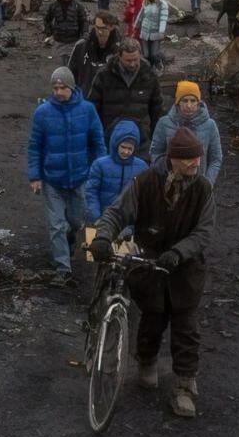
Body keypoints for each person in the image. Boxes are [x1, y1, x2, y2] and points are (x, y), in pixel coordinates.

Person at [90, 127, 215, 418]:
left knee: (186, 328)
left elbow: (204, 232)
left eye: (198, 157)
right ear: (173, 159)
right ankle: (146, 362)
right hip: (149, 266)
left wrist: (179, 252)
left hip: (185, 269)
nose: (196, 163)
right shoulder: (145, 182)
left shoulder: (203, 189)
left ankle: (184, 388)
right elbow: (116, 212)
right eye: (190, 159)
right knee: (152, 319)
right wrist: (102, 237)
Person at [27, 67, 105, 284]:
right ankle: (63, 269)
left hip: (80, 177)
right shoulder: (42, 113)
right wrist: (35, 176)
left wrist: (100, 171)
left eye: (63, 87)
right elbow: (35, 146)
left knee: (77, 221)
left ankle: (70, 239)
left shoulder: (87, 110)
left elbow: (98, 143)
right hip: (52, 179)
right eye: (55, 88)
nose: (59, 92)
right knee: (56, 224)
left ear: (72, 87)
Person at [88, 37, 164, 149]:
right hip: (110, 139)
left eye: (135, 60)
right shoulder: (104, 76)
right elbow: (93, 107)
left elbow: (157, 109)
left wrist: (154, 137)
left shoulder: (149, 76)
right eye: (128, 60)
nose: (132, 64)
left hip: (141, 141)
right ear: (119, 57)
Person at [150, 81, 223, 185]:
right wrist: (163, 177)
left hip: (198, 186)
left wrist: (207, 183)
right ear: (178, 102)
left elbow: (216, 159)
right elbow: (155, 153)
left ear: (198, 102)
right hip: (170, 185)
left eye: (193, 101)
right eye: (185, 100)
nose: (189, 105)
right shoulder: (164, 123)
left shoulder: (210, 125)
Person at [85, 119, 149, 222]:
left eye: (130, 148)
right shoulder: (100, 165)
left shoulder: (142, 167)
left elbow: (145, 196)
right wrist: (96, 217)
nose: (126, 152)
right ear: (116, 144)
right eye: (123, 147)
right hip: (103, 219)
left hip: (130, 221)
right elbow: (91, 193)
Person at [67, 10, 120, 96]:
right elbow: (71, 74)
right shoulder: (81, 47)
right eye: (97, 27)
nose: (99, 32)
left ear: (112, 27)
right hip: (85, 99)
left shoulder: (120, 51)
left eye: (103, 28)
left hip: (108, 102)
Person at [133, 0, 169, 69]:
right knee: (145, 55)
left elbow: (163, 19)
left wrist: (161, 31)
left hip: (155, 33)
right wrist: (136, 25)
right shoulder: (145, 3)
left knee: (154, 54)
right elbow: (140, 15)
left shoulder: (162, 5)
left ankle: (160, 63)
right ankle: (149, 70)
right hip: (144, 33)